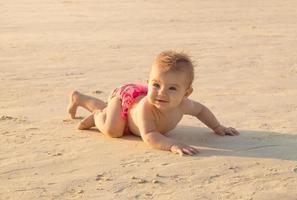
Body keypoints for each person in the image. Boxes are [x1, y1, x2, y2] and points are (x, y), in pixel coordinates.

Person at [67, 50, 239, 156]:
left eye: (172, 88)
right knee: (114, 130)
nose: (161, 92)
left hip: (130, 114)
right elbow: (149, 136)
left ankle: (79, 98)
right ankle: (97, 116)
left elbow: (201, 110)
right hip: (126, 100)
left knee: (110, 114)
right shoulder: (145, 108)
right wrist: (172, 145)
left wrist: (217, 127)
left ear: (186, 93)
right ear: (148, 83)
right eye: (156, 85)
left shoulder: (184, 105)